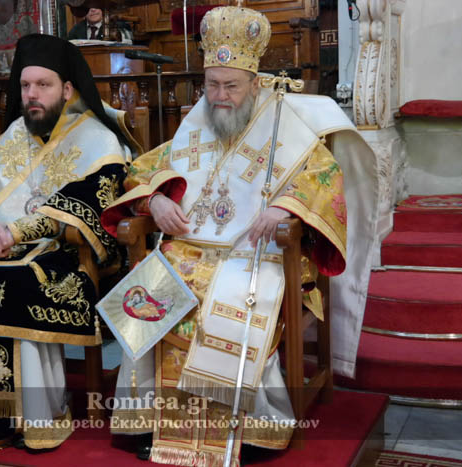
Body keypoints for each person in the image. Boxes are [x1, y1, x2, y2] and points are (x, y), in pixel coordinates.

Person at [101, 5, 378, 464]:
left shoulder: (283, 122)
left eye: (231, 86)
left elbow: (324, 177)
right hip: (188, 251)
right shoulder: (198, 122)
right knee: (146, 294)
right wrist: (157, 201)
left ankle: (245, 430)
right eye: (211, 85)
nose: (220, 96)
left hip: (257, 253)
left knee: (221, 298)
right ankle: (150, 421)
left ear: (254, 82)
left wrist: (285, 207)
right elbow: (143, 169)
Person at [0, 33, 139, 462]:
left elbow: (91, 202)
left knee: (9, 286)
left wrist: (16, 232)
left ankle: (32, 415)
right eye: (26, 85)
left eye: (43, 85)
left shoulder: (98, 141)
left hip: (61, 251)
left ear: (66, 89)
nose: (32, 94)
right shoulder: (11, 135)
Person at [67, 8, 132, 43]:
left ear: (102, 9)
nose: (93, 10)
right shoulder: (75, 30)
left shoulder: (119, 26)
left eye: (96, 6)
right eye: (89, 7)